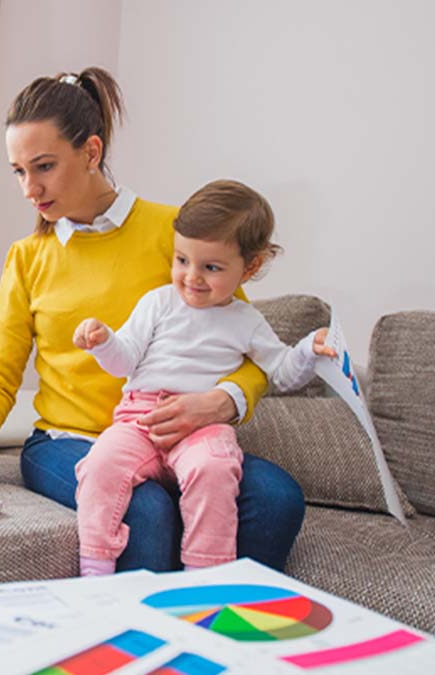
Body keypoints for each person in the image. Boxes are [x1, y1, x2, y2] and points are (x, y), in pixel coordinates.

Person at [0, 67, 307, 572]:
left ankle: (218, 626)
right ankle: (143, 638)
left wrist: (220, 402)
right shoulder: (28, 257)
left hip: (175, 437)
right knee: (146, 511)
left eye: (44, 166)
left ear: (91, 152)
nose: (30, 188)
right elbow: (0, 375)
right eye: (19, 171)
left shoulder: (175, 232)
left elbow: (243, 338)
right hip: (65, 440)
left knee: (278, 499)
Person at [70, 179, 336, 576]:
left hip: (203, 427)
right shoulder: (158, 302)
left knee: (214, 469)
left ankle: (205, 577)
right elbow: (123, 361)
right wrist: (102, 340)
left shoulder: (246, 321)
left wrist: (307, 351)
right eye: (182, 260)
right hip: (140, 418)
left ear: (250, 267)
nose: (191, 277)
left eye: (210, 267)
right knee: (100, 464)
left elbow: (281, 373)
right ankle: (95, 568)